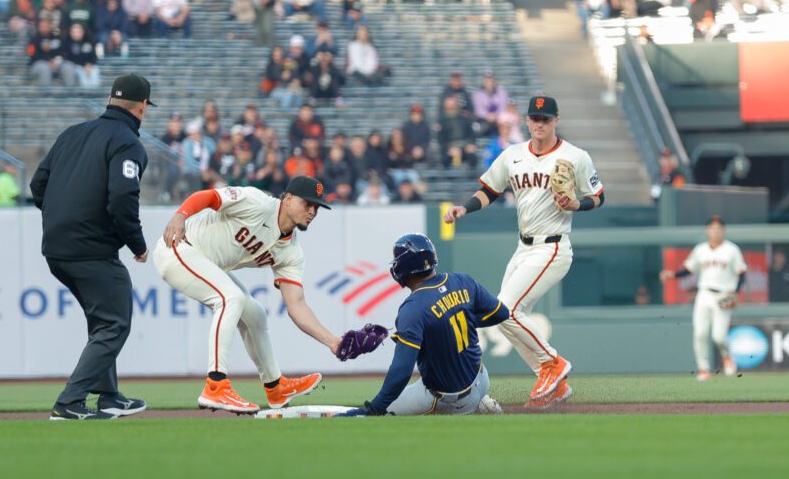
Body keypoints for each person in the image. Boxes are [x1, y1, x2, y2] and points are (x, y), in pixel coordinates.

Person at [444, 96, 605, 409]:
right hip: (523, 246)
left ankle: (553, 364)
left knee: (508, 309)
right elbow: (490, 189)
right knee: (499, 315)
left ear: (556, 120)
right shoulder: (513, 155)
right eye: (534, 118)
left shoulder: (575, 156)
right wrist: (466, 207)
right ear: (527, 121)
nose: (539, 124)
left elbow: (598, 196)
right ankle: (555, 384)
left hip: (553, 246)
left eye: (545, 118)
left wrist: (577, 203)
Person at [153, 177, 347, 414]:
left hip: (207, 262)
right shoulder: (258, 203)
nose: (312, 211)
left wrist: (333, 342)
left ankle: (275, 386)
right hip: (179, 247)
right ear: (287, 199)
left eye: (317, 207)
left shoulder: (291, 252)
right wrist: (180, 215)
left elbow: (296, 305)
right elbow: (210, 196)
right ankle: (215, 385)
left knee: (255, 314)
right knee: (230, 297)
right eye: (307, 203)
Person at [30, 74, 155, 420]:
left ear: (110, 100)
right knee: (115, 323)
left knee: (103, 320)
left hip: (56, 247)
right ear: (142, 107)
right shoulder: (128, 143)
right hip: (91, 250)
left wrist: (64, 217)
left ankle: (109, 396)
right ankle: (70, 401)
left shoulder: (73, 133)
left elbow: (37, 185)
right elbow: (122, 198)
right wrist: (137, 243)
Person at [338, 234, 510, 416]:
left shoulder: (413, 308)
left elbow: (402, 370)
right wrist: (462, 320)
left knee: (385, 411)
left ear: (405, 266)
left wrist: (376, 408)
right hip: (481, 379)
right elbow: (501, 313)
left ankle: (468, 406)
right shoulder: (462, 281)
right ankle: (481, 401)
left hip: (448, 398)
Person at [659, 216, 747, 381]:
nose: (716, 231)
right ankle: (703, 369)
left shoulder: (732, 250)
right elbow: (688, 269)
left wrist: (736, 292)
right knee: (700, 333)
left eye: (719, 228)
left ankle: (727, 358)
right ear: (707, 231)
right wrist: (672, 274)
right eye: (713, 228)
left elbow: (741, 273)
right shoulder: (700, 249)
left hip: (724, 295)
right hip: (704, 294)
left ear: (723, 230)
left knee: (719, 336)